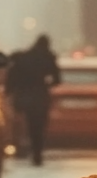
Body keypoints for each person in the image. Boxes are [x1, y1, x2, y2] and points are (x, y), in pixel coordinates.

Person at [6, 34, 61, 166]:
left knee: (27, 124)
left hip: (24, 95)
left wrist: (10, 91)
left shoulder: (23, 57)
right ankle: (37, 151)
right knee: (40, 125)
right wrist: (47, 84)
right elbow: (57, 79)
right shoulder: (48, 57)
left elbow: (13, 76)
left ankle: (24, 147)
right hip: (41, 96)